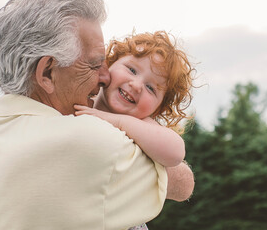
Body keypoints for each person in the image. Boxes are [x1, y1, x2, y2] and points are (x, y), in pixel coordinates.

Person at [0, 0, 195, 230]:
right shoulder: (92, 139)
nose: (105, 76)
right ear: (48, 73)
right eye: (95, 65)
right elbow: (182, 184)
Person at [75, 30, 196, 230]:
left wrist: (119, 122)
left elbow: (175, 152)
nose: (137, 85)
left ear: (157, 109)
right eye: (132, 70)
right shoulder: (81, 99)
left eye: (151, 88)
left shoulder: (140, 124)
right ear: (109, 64)